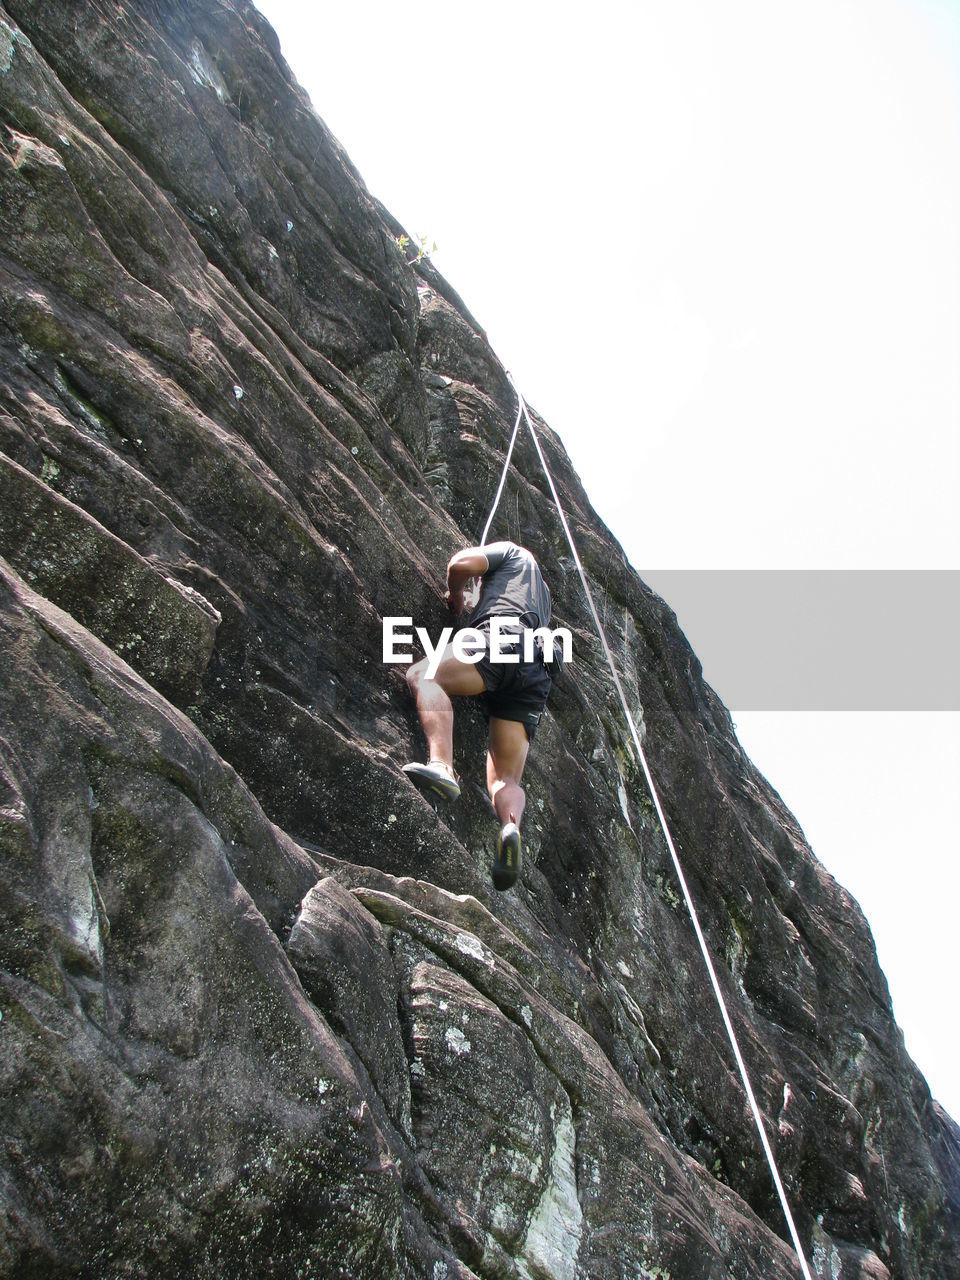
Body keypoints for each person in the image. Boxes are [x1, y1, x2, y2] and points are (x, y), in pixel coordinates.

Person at [403, 541, 556, 890]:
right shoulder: (542, 596)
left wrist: (456, 594)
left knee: (423, 675)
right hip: (536, 670)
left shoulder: (514, 552)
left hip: (502, 638)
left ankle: (441, 767)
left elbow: (460, 563)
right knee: (505, 779)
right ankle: (510, 827)